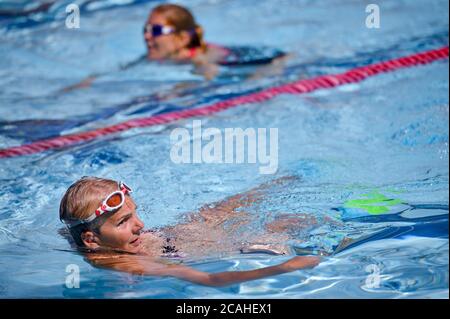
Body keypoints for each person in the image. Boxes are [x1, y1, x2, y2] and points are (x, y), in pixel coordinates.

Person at [59, 176, 320, 287]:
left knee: (237, 202)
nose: (140, 224)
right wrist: (287, 267)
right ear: (91, 240)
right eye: (123, 222)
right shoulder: (126, 262)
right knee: (296, 222)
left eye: (135, 214)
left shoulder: (87, 237)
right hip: (212, 244)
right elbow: (210, 281)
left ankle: (289, 177)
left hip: (178, 232)